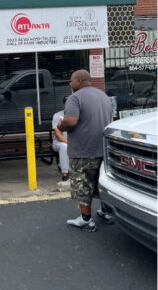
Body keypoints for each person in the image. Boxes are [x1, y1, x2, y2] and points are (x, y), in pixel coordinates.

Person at [57, 70, 113, 232]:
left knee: (82, 185)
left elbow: (71, 121)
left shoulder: (75, 98)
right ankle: (106, 212)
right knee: (101, 183)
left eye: (71, 80)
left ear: (79, 81)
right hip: (103, 149)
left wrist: (61, 125)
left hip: (83, 150)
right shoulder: (103, 96)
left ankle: (86, 220)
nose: (70, 83)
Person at [52, 96, 70, 183]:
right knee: (64, 146)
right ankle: (65, 173)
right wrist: (71, 144)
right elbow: (58, 135)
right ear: (63, 104)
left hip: (74, 142)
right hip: (59, 142)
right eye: (67, 103)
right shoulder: (58, 115)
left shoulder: (78, 115)